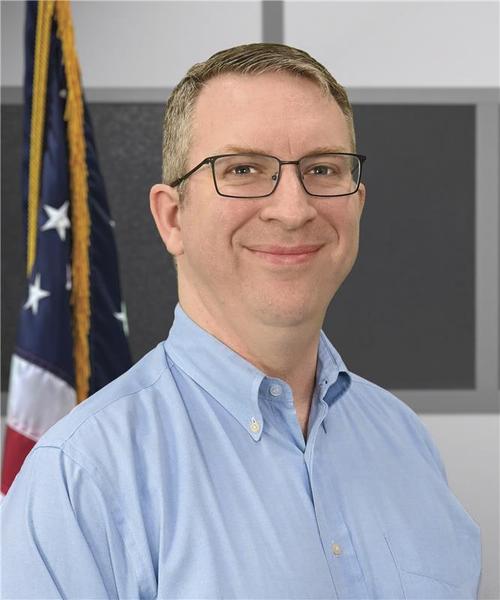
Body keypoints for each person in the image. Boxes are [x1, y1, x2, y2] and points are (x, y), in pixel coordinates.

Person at [1, 43, 481, 600]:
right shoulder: (82, 476)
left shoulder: (405, 441)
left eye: (322, 168)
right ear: (172, 218)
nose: (293, 209)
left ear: (357, 204)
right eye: (244, 169)